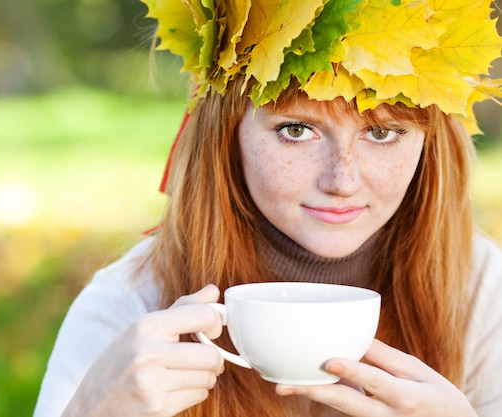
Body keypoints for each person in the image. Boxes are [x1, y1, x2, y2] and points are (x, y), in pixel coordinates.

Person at [34, 0, 502, 416]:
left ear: (429, 143)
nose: (342, 181)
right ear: (227, 135)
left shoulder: (479, 288)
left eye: (383, 133)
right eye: (297, 130)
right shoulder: (130, 305)